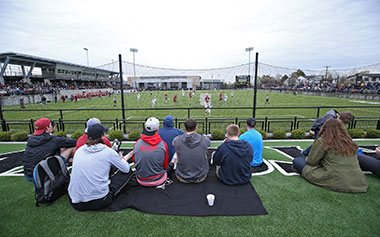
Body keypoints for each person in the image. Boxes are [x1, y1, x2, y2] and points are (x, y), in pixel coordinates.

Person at [68, 124, 132, 211]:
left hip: (75, 202)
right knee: (128, 172)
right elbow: (126, 169)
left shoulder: (79, 151)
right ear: (102, 136)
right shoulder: (108, 152)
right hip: (100, 200)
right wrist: (124, 159)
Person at [292, 118, 368, 193]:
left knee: (297, 161)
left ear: (324, 128)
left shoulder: (323, 140)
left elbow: (311, 162)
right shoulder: (348, 141)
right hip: (358, 181)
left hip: (335, 178)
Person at [129, 117, 173, 186]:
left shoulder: (137, 143)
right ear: (157, 129)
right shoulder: (163, 144)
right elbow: (165, 165)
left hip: (141, 180)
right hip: (159, 179)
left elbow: (136, 162)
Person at [173, 118, 211, 183]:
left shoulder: (177, 140)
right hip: (198, 177)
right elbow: (208, 143)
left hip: (184, 177)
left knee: (176, 154)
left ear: (184, 128)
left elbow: (174, 143)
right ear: (196, 127)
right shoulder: (204, 139)